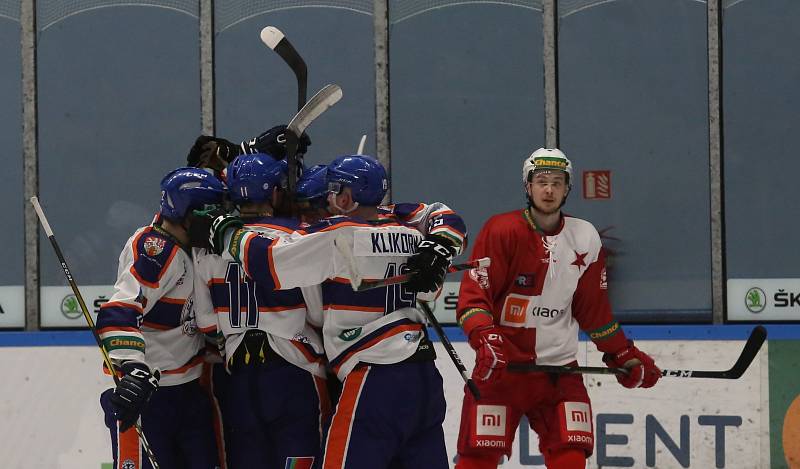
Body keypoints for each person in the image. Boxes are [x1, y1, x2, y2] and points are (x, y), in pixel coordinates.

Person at [202, 155, 467, 469]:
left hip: (373, 376)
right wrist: (443, 243)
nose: (325, 198)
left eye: (331, 190)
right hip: (424, 377)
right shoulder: (410, 232)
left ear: (346, 197)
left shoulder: (335, 234)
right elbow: (440, 215)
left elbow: (267, 261)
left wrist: (228, 234)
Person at [453, 148, 661, 469]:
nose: (549, 190)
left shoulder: (585, 237)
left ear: (567, 189)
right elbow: (473, 298)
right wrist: (485, 339)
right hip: (502, 371)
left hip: (559, 373)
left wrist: (623, 354)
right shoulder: (502, 230)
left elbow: (594, 312)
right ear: (528, 187)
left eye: (557, 182)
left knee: (571, 456)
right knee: (477, 458)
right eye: (541, 182)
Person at [192, 153, 330, 469]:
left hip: (239, 373)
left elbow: (205, 322)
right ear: (274, 191)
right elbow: (318, 315)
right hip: (293, 370)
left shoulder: (206, 247)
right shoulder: (295, 236)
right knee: (299, 460)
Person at [97, 167, 225, 469]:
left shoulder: (193, 249)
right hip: (149, 398)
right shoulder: (157, 250)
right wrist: (133, 368)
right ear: (188, 213)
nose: (217, 220)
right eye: (211, 211)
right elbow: (120, 310)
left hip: (189, 393)